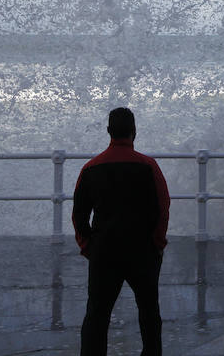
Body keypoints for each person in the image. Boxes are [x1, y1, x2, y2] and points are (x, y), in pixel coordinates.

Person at [72, 107, 170, 356]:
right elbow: (163, 207)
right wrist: (157, 243)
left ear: (108, 131)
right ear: (134, 131)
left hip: (104, 252)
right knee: (149, 313)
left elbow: (79, 214)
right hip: (142, 251)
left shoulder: (91, 168)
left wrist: (88, 248)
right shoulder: (148, 166)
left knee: (97, 315)